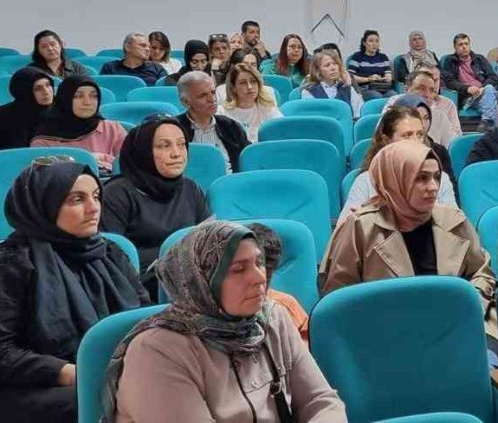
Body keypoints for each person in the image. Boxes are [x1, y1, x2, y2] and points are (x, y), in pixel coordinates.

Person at [104, 221, 346, 422]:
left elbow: (321, 401)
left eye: (259, 262)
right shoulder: (156, 351)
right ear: (200, 282)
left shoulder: (273, 318)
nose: (259, 277)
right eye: (238, 269)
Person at [0, 158, 150, 423]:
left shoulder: (110, 253)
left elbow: (144, 319)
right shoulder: (12, 262)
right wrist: (72, 372)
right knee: (120, 400)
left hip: (113, 371)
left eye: (95, 196)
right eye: (77, 200)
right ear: (43, 205)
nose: (94, 209)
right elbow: (3, 351)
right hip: (39, 385)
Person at [318, 141, 496, 312]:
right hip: (381, 331)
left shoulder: (454, 221)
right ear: (395, 180)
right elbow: (338, 298)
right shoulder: (360, 227)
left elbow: (482, 273)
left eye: (436, 177)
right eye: (422, 178)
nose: (433, 187)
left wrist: (473, 304)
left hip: (452, 324)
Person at [100, 117, 211, 297]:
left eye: (181, 144)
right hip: (138, 289)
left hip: (191, 281)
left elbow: (209, 241)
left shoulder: (189, 188)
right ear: (143, 152)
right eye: (164, 146)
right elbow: (110, 259)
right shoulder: (116, 194)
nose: (177, 153)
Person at [343, 105, 457, 218]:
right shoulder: (366, 181)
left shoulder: (441, 180)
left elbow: (456, 229)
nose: (415, 141)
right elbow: (344, 230)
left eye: (420, 135)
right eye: (407, 135)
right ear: (387, 140)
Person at [31, 75, 128, 173]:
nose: (87, 102)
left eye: (93, 96)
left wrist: (103, 157)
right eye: (78, 96)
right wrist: (88, 160)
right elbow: (43, 179)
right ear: (65, 99)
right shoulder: (44, 140)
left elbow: (131, 164)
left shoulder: (113, 129)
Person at [246, 222, 310, 341]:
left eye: (267, 273)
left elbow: (305, 353)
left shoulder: (286, 307)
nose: (260, 279)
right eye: (240, 269)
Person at [176, 71, 250, 172]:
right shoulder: (173, 129)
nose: (212, 99)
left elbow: (248, 162)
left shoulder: (231, 127)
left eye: (213, 92)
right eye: (202, 95)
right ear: (186, 102)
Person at [440, 33, 498, 130]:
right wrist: (467, 88)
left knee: (489, 90)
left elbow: (493, 77)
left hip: (485, 92)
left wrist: (483, 88)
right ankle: (492, 126)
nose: (464, 47)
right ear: (455, 47)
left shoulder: (479, 59)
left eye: (466, 44)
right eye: (460, 44)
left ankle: (487, 123)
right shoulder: (450, 61)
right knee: (493, 105)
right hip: (469, 97)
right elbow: (450, 82)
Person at [389, 68, 462, 148]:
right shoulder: (393, 113)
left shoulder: (440, 117)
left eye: (431, 90)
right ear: (406, 89)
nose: (427, 94)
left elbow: (453, 147)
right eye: (421, 88)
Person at [218, 63, 282, 142]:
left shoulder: (269, 109)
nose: (250, 87)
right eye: (243, 83)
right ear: (233, 87)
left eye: (253, 81)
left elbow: (283, 133)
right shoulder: (221, 112)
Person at [0, 67, 55, 149]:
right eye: (38, 89)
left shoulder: (61, 110)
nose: (46, 92)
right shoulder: (4, 116)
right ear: (25, 92)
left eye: (48, 85)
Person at [302, 48, 364, 119]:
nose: (333, 68)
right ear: (318, 71)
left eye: (335, 63)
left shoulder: (348, 89)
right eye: (327, 65)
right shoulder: (309, 91)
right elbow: (312, 118)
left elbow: (359, 114)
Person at [100, 33, 166, 86]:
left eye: (149, 47)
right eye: (143, 45)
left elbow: (164, 92)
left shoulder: (157, 68)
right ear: (127, 47)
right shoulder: (109, 68)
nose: (148, 49)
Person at [347, 29, 395, 100]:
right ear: (364, 43)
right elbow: (350, 77)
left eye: (377, 41)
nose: (374, 44)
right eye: (371, 41)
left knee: (393, 95)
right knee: (376, 96)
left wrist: (379, 78)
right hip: (364, 88)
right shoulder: (357, 57)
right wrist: (369, 79)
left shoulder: (383, 57)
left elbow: (389, 77)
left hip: (382, 87)